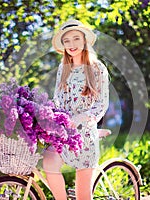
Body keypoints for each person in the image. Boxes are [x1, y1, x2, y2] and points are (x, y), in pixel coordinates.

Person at [43, 19, 109, 200]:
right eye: (67, 41)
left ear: (84, 40)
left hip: (85, 134)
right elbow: (57, 100)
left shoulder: (97, 68)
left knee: (83, 196)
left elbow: (101, 104)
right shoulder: (62, 69)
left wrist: (81, 118)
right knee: (49, 163)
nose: (71, 45)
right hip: (64, 133)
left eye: (76, 39)